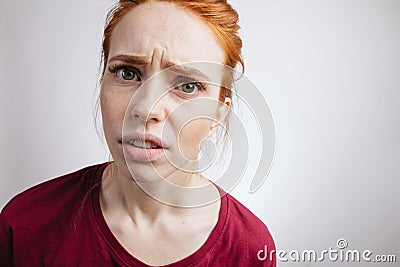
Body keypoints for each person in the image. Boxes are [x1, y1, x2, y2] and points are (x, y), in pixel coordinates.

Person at [0, 0, 276, 266]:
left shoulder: (249, 249)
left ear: (218, 113)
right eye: (128, 73)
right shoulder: (24, 225)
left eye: (188, 86)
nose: (145, 109)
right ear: (102, 85)